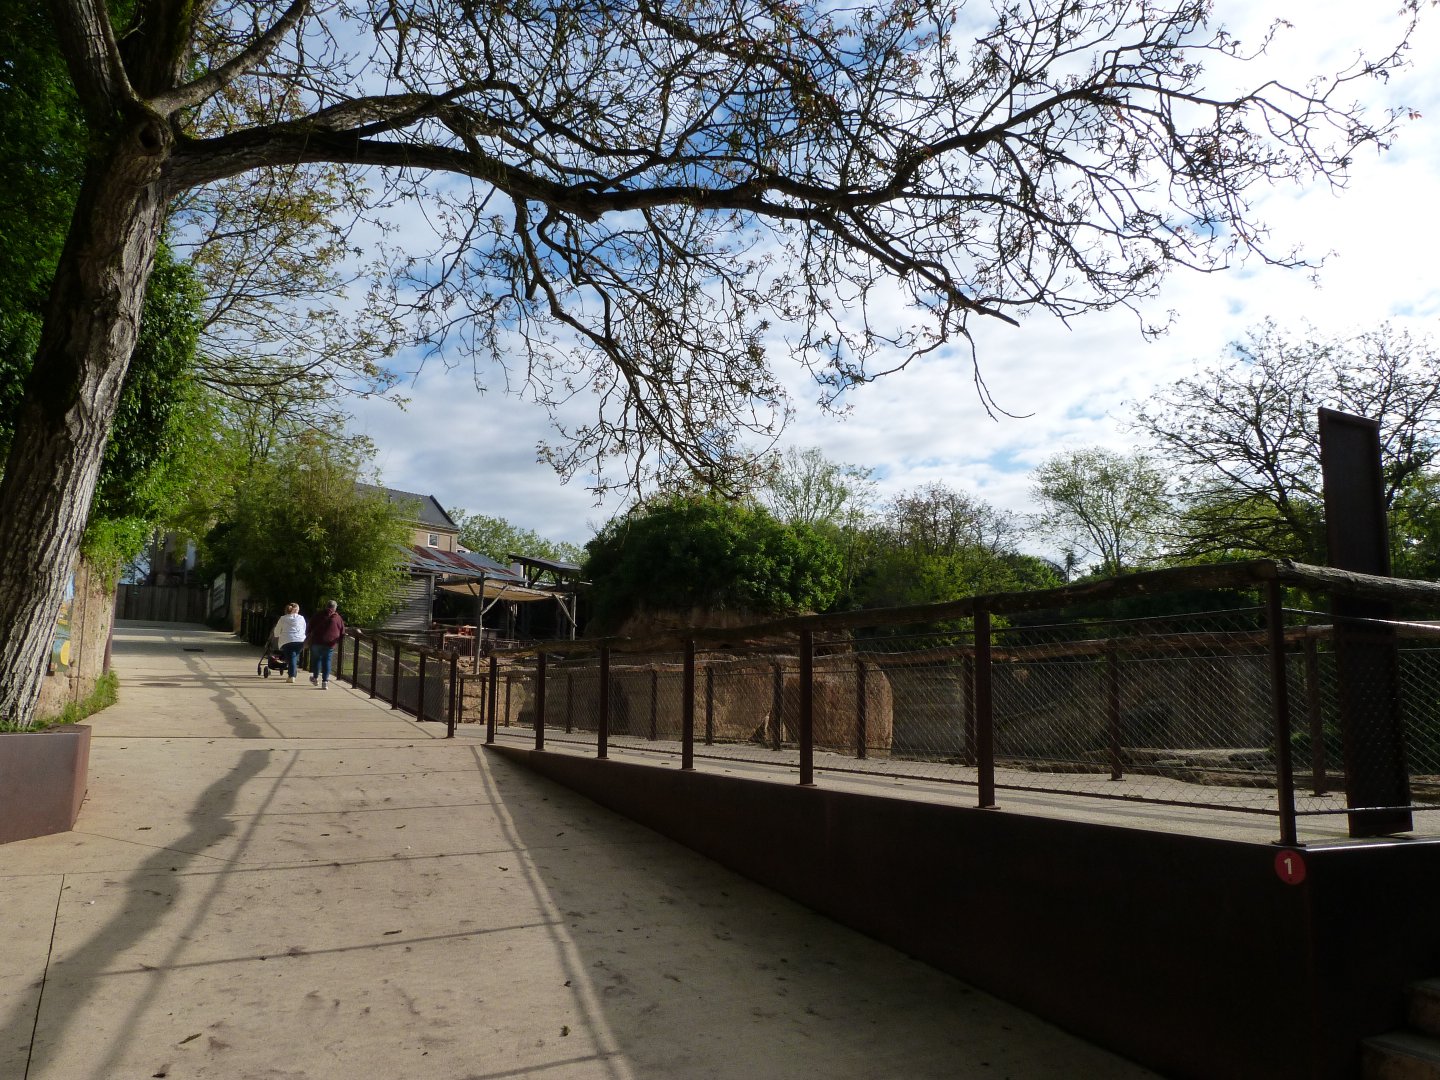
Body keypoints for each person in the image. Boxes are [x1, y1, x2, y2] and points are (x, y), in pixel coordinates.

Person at [308, 599, 345, 689]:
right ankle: (325, 682)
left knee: (316, 660)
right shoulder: (338, 618)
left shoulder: (317, 615)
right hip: (330, 643)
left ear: (326, 606)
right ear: (335, 608)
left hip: (316, 641)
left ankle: (315, 678)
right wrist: (338, 640)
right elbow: (342, 631)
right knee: (327, 661)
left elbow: (310, 626)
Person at [270, 602, 306, 684]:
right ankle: (293, 672)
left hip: (287, 640)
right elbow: (304, 628)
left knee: (292, 657)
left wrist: (277, 635)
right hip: (300, 640)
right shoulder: (301, 618)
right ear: (297, 610)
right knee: (294, 656)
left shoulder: (283, 618)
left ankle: (291, 675)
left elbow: (277, 631)